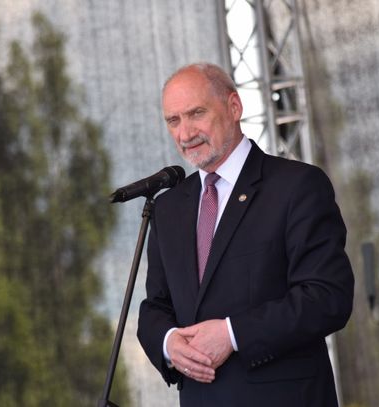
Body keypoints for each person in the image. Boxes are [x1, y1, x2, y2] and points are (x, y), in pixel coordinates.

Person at [137, 62, 354, 406]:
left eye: (196, 114)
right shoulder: (167, 208)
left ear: (234, 107)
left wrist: (232, 334)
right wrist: (168, 342)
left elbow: (328, 296)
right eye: (173, 121)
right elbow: (155, 306)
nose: (185, 133)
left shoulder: (296, 186)